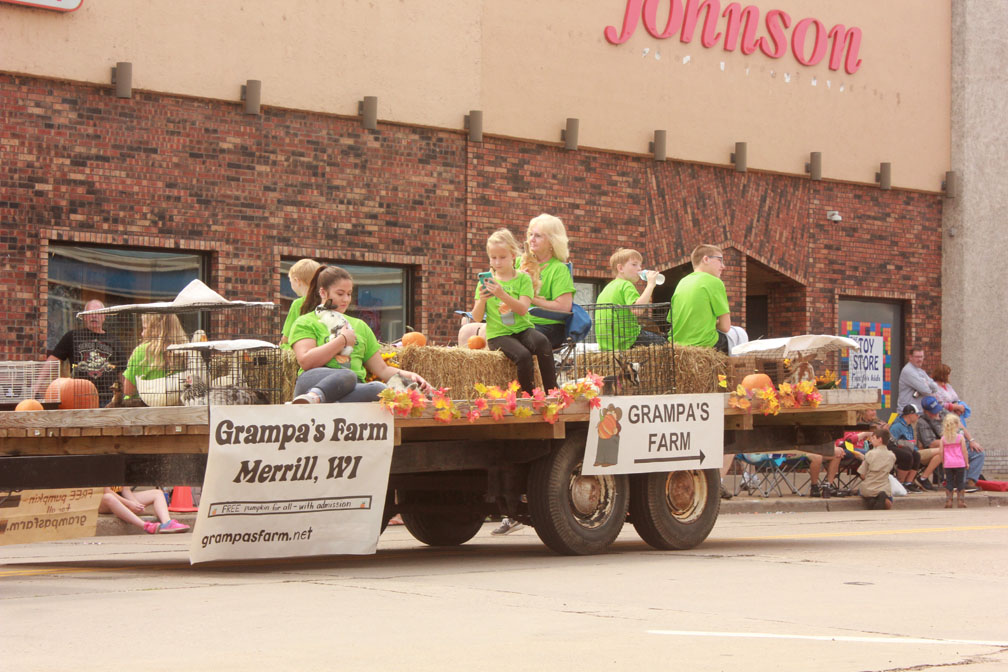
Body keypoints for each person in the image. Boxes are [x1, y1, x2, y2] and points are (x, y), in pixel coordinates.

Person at [289, 266, 431, 404]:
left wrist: (410, 376)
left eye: (349, 294)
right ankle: (315, 396)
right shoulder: (306, 322)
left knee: (379, 389)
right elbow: (306, 361)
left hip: (352, 388)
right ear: (323, 293)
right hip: (312, 382)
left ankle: (330, 404)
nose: (346, 299)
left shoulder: (360, 326)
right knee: (348, 374)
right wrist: (342, 340)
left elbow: (382, 369)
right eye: (340, 294)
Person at [471, 228, 558, 395]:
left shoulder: (523, 278)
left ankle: (552, 391)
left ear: (513, 256)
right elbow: (476, 317)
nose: (497, 262)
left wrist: (501, 294)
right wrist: (482, 300)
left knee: (542, 342)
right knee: (523, 356)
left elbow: (523, 308)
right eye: (493, 258)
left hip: (523, 328)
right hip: (499, 335)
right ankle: (529, 397)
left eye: (502, 257)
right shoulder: (486, 282)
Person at [39, 299, 128, 406]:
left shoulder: (114, 341)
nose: (94, 316)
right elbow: (52, 361)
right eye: (90, 313)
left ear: (104, 316)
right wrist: (37, 386)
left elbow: (122, 371)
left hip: (108, 398)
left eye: (98, 313)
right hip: (79, 396)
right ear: (84, 317)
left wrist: (127, 395)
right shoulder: (72, 337)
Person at [667, 244, 747, 353]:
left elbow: (672, 320)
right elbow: (725, 327)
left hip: (676, 344)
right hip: (705, 342)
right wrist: (711, 323)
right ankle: (738, 369)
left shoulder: (682, 282)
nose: (723, 266)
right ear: (706, 259)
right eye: (720, 260)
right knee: (739, 333)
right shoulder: (714, 282)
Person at [519, 213, 575, 349]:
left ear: (552, 241)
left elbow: (564, 307)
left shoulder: (558, 269)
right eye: (530, 234)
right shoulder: (518, 263)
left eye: (538, 236)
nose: (531, 239)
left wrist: (530, 298)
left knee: (513, 338)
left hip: (545, 325)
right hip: (514, 322)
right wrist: (515, 280)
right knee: (469, 330)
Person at [595, 248, 665, 350]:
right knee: (666, 345)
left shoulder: (607, 288)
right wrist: (650, 285)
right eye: (634, 264)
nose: (639, 268)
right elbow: (637, 310)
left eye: (640, 265)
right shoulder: (626, 285)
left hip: (608, 345)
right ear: (620, 268)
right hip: (628, 339)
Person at [917, 395, 985, 492]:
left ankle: (969, 482)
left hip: (956, 441)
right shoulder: (922, 422)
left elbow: (959, 425)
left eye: (937, 410)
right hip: (945, 445)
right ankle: (959, 482)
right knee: (959, 453)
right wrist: (952, 441)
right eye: (933, 412)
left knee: (978, 453)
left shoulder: (943, 412)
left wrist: (971, 440)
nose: (936, 413)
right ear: (926, 411)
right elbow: (931, 443)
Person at [122, 313, 188, 403]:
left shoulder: (142, 352)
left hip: (143, 408)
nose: (141, 334)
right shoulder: (185, 352)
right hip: (176, 407)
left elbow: (128, 391)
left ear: (155, 329)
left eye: (144, 328)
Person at [888, 404, 939, 491]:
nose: (918, 416)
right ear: (910, 415)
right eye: (916, 414)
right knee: (907, 455)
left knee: (916, 455)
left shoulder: (909, 426)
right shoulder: (897, 426)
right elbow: (891, 441)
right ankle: (900, 482)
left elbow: (911, 442)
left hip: (908, 448)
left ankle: (909, 482)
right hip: (896, 449)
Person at [99, 486, 190, 534]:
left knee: (157, 493)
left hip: (121, 499)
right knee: (109, 497)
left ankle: (167, 523)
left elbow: (125, 490)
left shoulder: (119, 464)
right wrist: (129, 503)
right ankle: (145, 526)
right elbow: (107, 491)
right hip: (101, 501)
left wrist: (136, 504)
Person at [281, 258, 321, 349]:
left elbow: (286, 337)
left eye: (290, 281)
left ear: (297, 281)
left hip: (300, 349)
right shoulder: (324, 301)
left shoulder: (298, 304)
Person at [858, 426, 897, 510]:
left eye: (873, 438)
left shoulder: (870, 454)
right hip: (884, 486)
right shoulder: (892, 455)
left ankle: (872, 501)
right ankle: (881, 499)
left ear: (880, 439)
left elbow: (862, 474)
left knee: (864, 492)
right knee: (888, 500)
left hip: (869, 487)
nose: (871, 440)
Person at [940, 413, 970, 508]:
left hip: (948, 464)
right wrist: (966, 462)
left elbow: (941, 452)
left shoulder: (943, 439)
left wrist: (943, 462)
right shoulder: (960, 438)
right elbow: (964, 451)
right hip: (960, 463)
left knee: (949, 482)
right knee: (960, 482)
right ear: (956, 425)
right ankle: (961, 501)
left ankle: (949, 501)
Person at [897, 345, 938, 410]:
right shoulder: (908, 371)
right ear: (910, 357)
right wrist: (926, 385)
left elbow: (935, 387)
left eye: (921, 357)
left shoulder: (921, 371)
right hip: (907, 413)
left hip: (918, 411)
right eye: (917, 357)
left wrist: (927, 384)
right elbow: (925, 391)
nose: (920, 359)